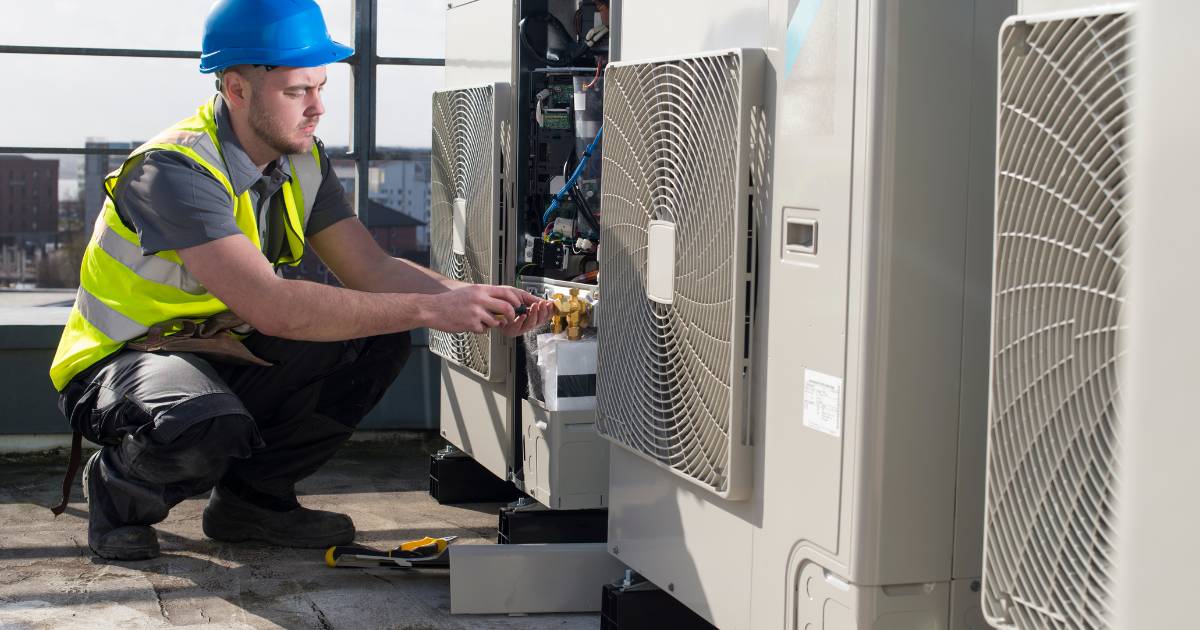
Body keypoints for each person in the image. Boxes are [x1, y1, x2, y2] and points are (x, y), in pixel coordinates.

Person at [47, 0, 553, 561]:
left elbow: (374, 271)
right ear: (237, 89)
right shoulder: (173, 170)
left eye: (320, 88)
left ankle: (251, 501)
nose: (316, 109)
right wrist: (432, 311)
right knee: (201, 423)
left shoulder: (302, 162)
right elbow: (274, 307)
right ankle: (120, 498)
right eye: (296, 92)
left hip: (220, 348)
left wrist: (479, 302)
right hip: (123, 360)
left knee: (374, 341)